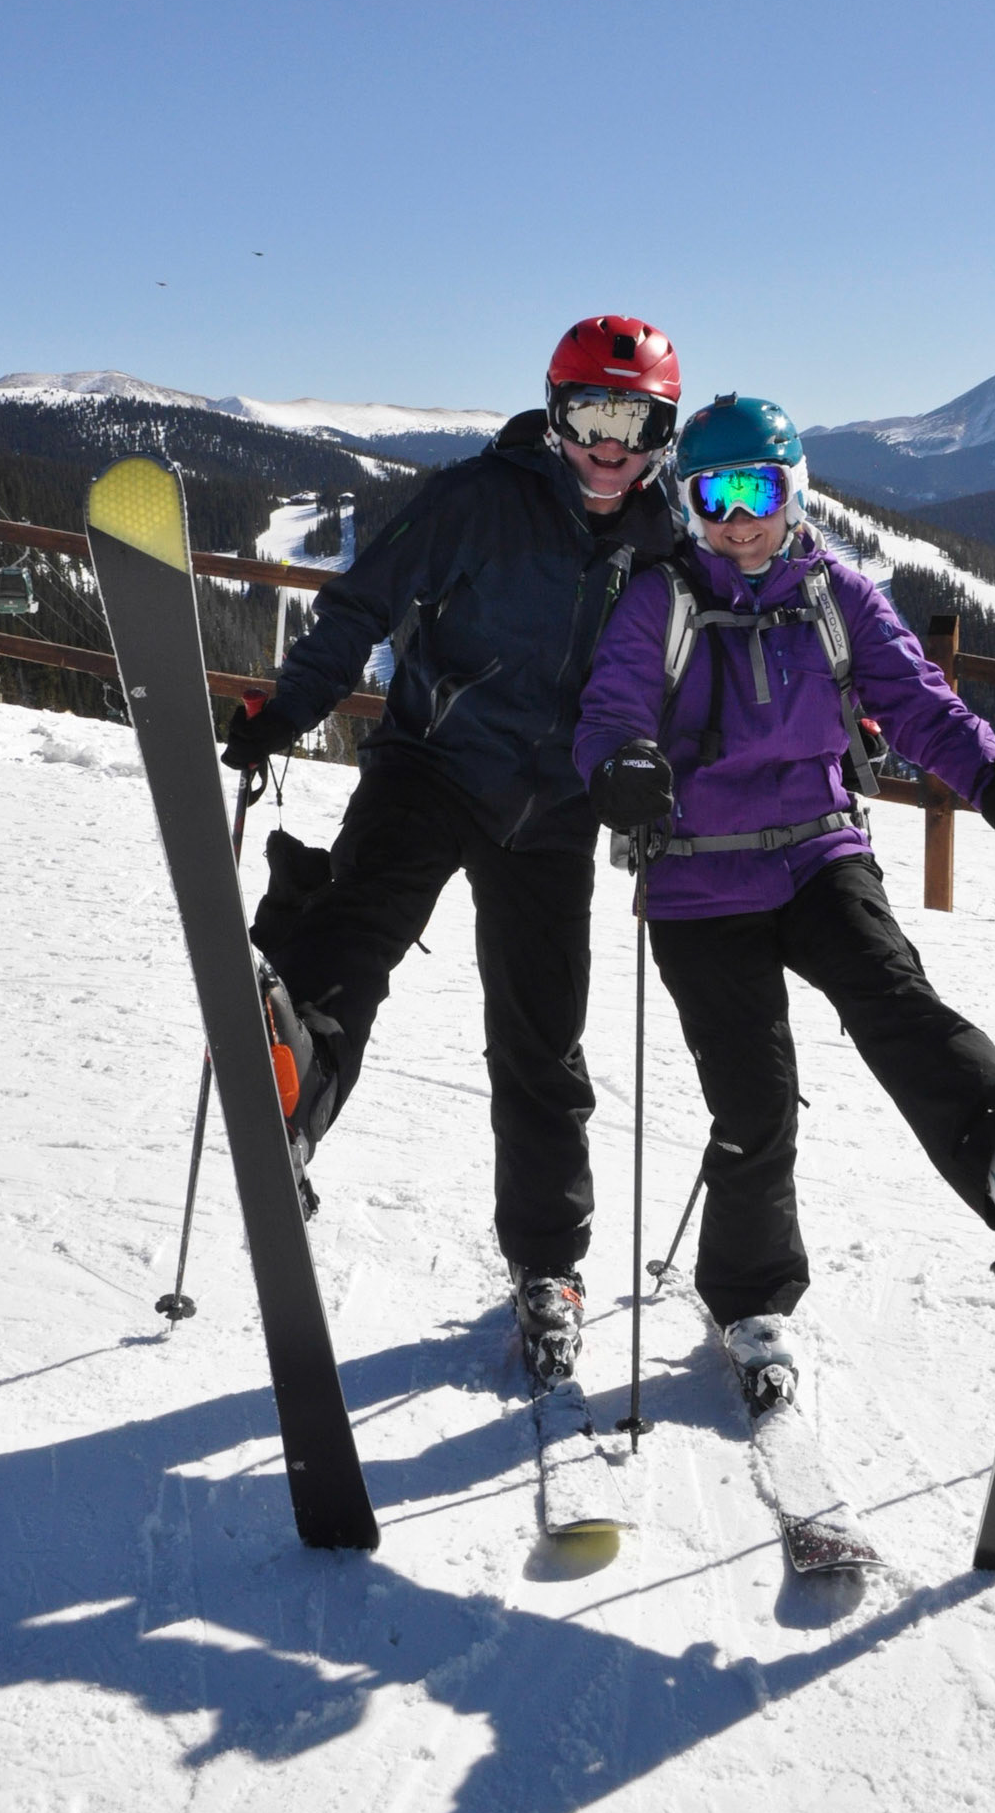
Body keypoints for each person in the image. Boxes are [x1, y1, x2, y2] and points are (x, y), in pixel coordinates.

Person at [573, 394, 995, 1410]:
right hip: (696, 877)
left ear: (793, 489)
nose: (739, 518)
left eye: (758, 491)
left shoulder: (839, 595)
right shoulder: (659, 600)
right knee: (755, 1096)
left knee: (890, 992)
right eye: (714, 495)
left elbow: (921, 707)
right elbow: (612, 703)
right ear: (688, 504)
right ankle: (749, 1300)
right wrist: (622, 767)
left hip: (817, 852)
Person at [220, 316, 682, 1382]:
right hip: (434, 761)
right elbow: (360, 606)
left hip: (558, 806)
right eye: (591, 415)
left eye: (635, 420)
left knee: (540, 1038)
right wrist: (286, 711)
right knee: (359, 934)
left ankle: (547, 1265)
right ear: (557, 411)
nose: (610, 444)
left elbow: (705, 655)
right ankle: (287, 1100)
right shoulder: (479, 497)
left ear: (662, 429)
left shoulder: (668, 536)